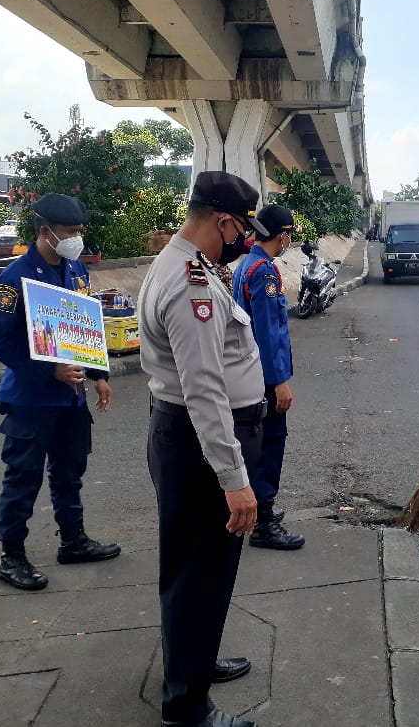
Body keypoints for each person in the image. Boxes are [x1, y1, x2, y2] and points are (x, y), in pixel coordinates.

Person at [137, 171, 270, 727]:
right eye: (241, 228)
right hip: (202, 447)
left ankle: (194, 662)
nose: (244, 239)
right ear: (222, 220)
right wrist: (234, 480)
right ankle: (187, 707)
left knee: (197, 569)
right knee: (200, 572)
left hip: (186, 440)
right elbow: (205, 390)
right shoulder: (192, 283)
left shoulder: (179, 262)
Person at [0, 193, 120, 592]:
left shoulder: (76, 270)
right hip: (32, 399)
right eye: (69, 232)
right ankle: (12, 557)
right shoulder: (13, 278)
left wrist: (99, 374)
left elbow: (83, 329)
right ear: (44, 232)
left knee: (69, 472)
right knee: (22, 479)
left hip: (72, 397)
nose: (76, 238)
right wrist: (50, 370)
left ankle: (73, 541)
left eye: (78, 231)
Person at [232, 204, 305, 551]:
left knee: (255, 443)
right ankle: (264, 521)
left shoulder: (246, 264)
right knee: (269, 444)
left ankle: (260, 513)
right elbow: (267, 331)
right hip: (264, 377)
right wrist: (279, 382)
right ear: (283, 235)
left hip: (249, 373)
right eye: (289, 234)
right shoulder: (263, 272)